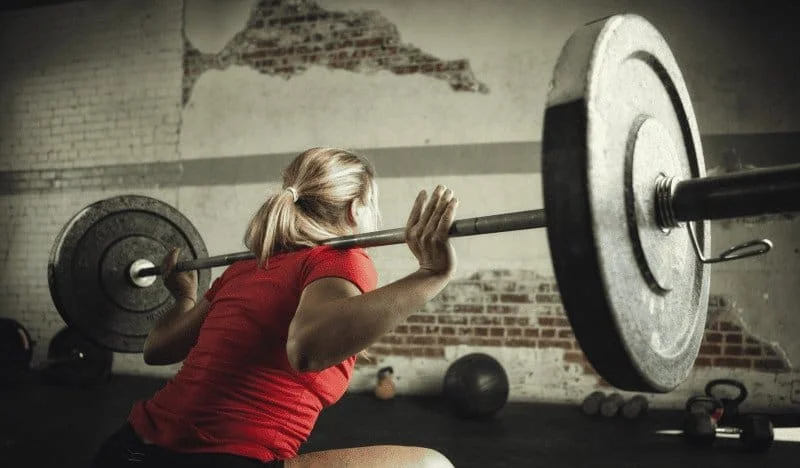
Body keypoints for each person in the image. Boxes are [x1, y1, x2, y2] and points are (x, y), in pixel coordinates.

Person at [91, 147, 458, 468]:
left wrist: (184, 296)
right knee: (432, 465)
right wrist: (431, 275)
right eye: (372, 207)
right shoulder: (342, 258)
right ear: (354, 209)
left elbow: (156, 349)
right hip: (223, 463)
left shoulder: (245, 268)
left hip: (126, 451)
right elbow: (306, 348)